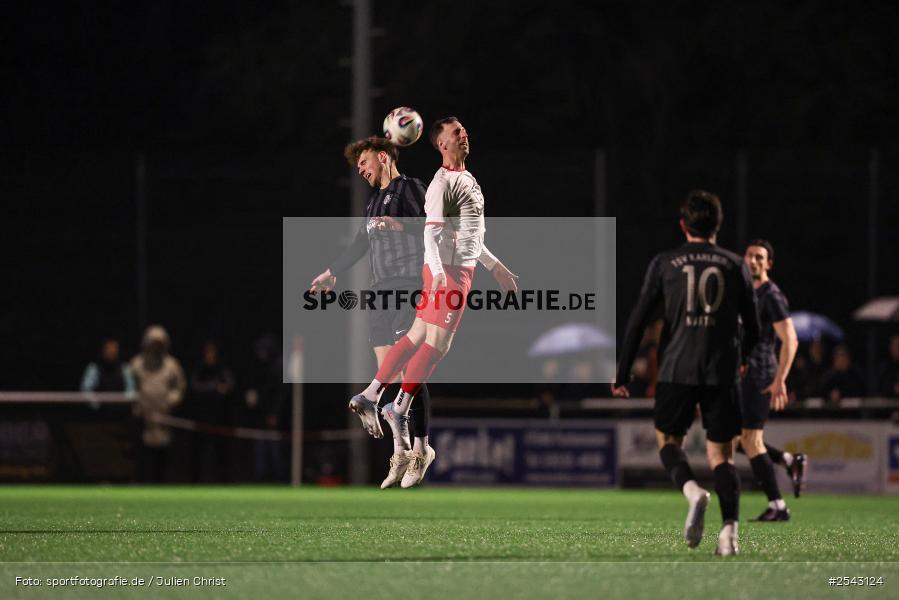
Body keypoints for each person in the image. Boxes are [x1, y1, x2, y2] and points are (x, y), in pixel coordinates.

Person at [345, 118, 518, 488]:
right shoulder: (441, 184)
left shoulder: (464, 180)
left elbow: (468, 234)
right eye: (457, 133)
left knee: (420, 337)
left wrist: (494, 265)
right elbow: (431, 230)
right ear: (441, 144)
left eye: (463, 130)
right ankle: (397, 408)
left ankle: (375, 395)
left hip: (455, 269)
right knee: (436, 344)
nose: (464, 134)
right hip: (448, 272)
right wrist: (438, 272)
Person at [612, 190, 760, 556]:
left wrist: (623, 372)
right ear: (718, 225)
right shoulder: (735, 264)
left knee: (668, 443)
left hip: (676, 368)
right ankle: (729, 534)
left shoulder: (666, 263)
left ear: (683, 225)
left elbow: (637, 321)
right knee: (722, 456)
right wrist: (744, 356)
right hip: (721, 370)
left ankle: (693, 492)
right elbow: (754, 327)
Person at [737, 240, 806, 518]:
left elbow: (790, 339)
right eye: (750, 256)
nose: (753, 261)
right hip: (745, 373)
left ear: (768, 264)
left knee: (750, 440)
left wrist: (780, 380)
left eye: (759, 257)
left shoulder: (772, 296)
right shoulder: (745, 291)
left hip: (762, 375)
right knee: (731, 440)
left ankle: (778, 505)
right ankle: (788, 460)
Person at [129, 325, 186, 482]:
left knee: (163, 456)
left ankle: (163, 483)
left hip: (164, 418)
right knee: (142, 456)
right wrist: (137, 403)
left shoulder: (172, 365)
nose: (156, 347)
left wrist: (171, 400)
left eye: (159, 344)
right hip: (143, 419)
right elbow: (129, 387)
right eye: (153, 343)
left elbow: (179, 388)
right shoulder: (136, 364)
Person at [188, 341, 235, 482]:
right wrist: (214, 387)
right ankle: (194, 484)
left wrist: (218, 389)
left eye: (212, 352)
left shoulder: (222, 369)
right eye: (207, 352)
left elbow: (230, 386)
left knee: (221, 455)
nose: (210, 355)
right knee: (198, 454)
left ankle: (223, 482)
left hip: (220, 420)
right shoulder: (198, 368)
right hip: (201, 420)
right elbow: (194, 387)